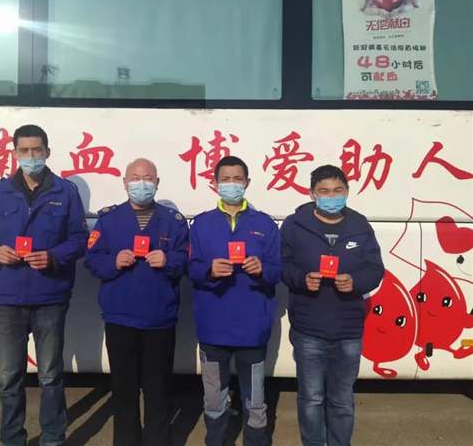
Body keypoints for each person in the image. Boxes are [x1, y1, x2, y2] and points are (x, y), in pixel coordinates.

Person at [0, 124, 88, 446]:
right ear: (14, 154)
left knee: (50, 375)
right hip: (7, 297)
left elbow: (79, 239)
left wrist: (53, 257)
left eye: (36, 150)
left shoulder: (65, 192)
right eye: (24, 150)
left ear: (47, 152)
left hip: (49, 296)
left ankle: (53, 438)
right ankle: (12, 438)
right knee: (10, 377)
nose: (31, 156)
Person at [85, 158, 189, 446]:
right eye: (135, 177)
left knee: (158, 391)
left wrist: (168, 260)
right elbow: (92, 260)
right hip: (120, 317)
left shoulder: (173, 221)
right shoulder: (108, 219)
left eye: (148, 178)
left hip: (159, 318)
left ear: (157, 183)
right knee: (123, 391)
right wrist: (113, 262)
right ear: (124, 183)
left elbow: (186, 260)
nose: (141, 184)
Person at [280, 164, 385, 446]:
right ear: (312, 193)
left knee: (342, 400)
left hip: (348, 329)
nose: (331, 196)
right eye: (324, 191)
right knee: (311, 399)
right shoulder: (294, 225)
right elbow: (282, 266)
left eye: (338, 190)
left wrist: (356, 281)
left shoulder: (360, 226)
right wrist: (302, 278)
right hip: (308, 328)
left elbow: (376, 269)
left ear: (347, 191)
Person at [188, 155, 281, 446]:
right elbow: (190, 268)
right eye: (225, 179)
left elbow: (278, 270)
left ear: (247, 182)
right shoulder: (201, 224)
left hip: (252, 328)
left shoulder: (264, 224)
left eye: (237, 179)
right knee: (214, 398)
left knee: (255, 400)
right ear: (215, 183)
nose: (231, 184)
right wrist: (208, 270)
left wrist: (262, 269)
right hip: (213, 327)